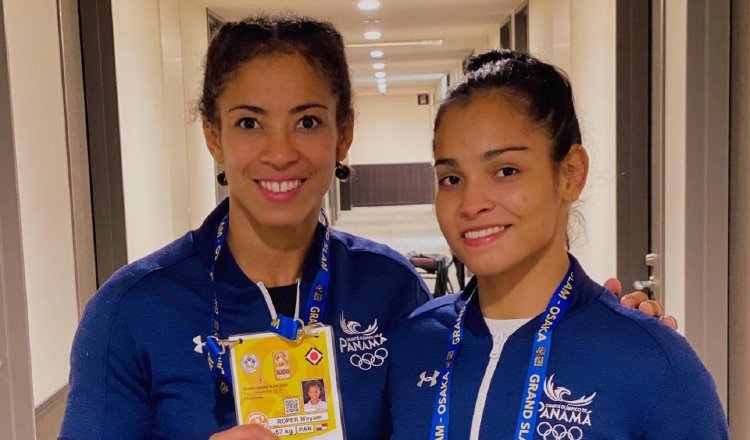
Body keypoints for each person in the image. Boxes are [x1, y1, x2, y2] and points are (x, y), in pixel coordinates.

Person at [59, 15, 675, 440]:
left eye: (306, 122)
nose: (279, 153)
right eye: (249, 124)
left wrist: (606, 333)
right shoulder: (131, 311)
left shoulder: (387, 287)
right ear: (213, 137)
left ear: (343, 133)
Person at [386, 49, 728, 439]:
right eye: (451, 178)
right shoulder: (414, 342)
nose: (471, 203)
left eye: (506, 171)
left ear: (570, 173)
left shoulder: (653, 364)